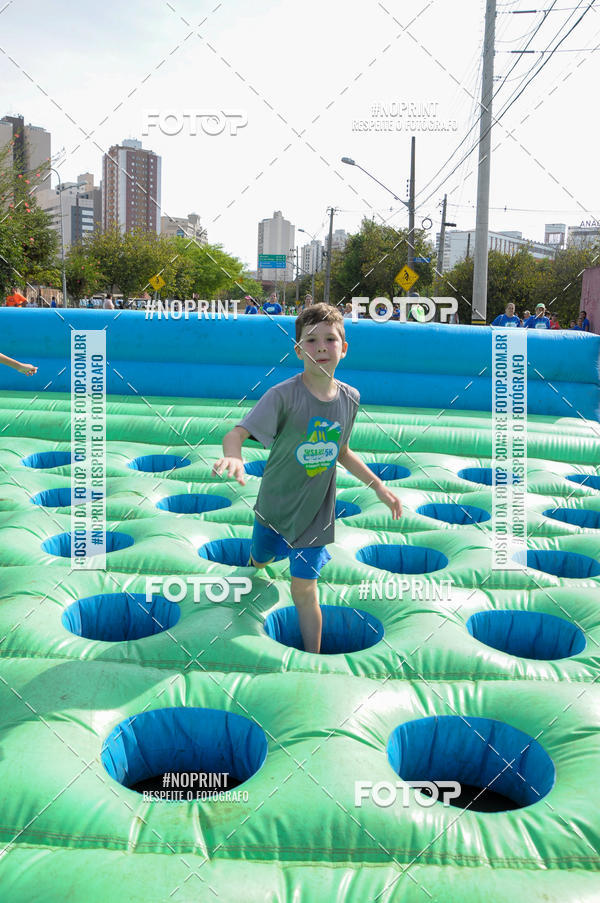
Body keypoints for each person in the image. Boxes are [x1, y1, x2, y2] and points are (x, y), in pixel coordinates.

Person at [213, 303, 402, 654]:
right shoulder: (283, 396)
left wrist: (379, 486)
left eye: (330, 339)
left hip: (315, 515)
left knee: (304, 589)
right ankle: (256, 563)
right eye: (311, 340)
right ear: (298, 350)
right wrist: (233, 456)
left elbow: (341, 450)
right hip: (274, 507)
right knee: (261, 560)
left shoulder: (350, 398)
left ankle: (311, 656)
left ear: (343, 348)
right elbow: (236, 434)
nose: (321, 348)